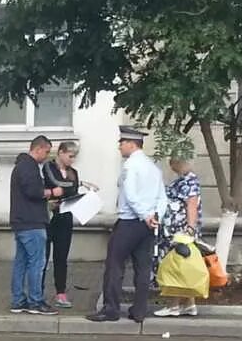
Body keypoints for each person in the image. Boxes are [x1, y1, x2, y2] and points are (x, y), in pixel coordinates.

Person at [87, 126, 167, 323]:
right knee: (143, 268)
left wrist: (144, 214)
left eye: (122, 143)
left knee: (114, 265)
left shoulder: (131, 166)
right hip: (148, 225)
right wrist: (156, 216)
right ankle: (139, 311)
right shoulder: (153, 167)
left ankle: (111, 309)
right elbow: (162, 197)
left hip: (130, 222)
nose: (119, 147)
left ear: (132, 144)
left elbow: (130, 194)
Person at [10, 135, 62, 316]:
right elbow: (33, 191)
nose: (47, 156)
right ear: (38, 149)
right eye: (46, 152)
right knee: (37, 263)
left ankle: (18, 301)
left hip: (22, 221)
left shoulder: (22, 166)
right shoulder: (29, 166)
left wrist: (46, 204)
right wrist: (51, 192)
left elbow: (27, 195)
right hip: (32, 223)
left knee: (21, 262)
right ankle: (35, 301)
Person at [153, 158, 203, 318]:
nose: (171, 165)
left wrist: (189, 228)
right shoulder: (185, 180)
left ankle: (173, 305)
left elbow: (191, 205)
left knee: (174, 268)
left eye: (173, 162)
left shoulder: (189, 181)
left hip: (179, 233)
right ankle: (189, 303)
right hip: (176, 231)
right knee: (183, 268)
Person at [42, 141, 83, 308]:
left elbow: (71, 190)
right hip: (48, 217)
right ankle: (38, 292)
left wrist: (71, 188)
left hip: (65, 217)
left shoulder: (73, 172)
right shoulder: (48, 168)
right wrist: (71, 187)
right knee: (43, 258)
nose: (72, 160)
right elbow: (57, 184)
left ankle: (61, 293)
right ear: (60, 153)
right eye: (70, 156)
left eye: (74, 157)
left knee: (61, 257)